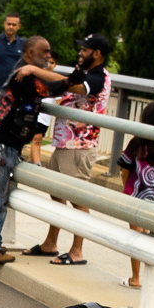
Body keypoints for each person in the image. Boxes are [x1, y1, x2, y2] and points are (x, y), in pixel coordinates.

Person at [0, 36, 77, 264]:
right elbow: (51, 89)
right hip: (3, 142)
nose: (49, 56)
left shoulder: (22, 70)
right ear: (30, 53)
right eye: (45, 51)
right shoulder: (26, 76)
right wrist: (71, 81)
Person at [27, 34, 112, 266]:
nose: (80, 52)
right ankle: (50, 243)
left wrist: (35, 70)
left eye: (85, 49)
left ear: (97, 54)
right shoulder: (83, 72)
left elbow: (75, 86)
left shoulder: (98, 77)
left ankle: (77, 251)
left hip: (80, 147)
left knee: (77, 199)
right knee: (56, 193)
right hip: (64, 144)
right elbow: (60, 88)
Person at [113, 101, 154, 292]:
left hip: (135, 194)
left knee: (135, 237)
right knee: (152, 237)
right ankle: (150, 278)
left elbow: (124, 168)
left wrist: (128, 187)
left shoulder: (137, 143)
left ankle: (136, 277)